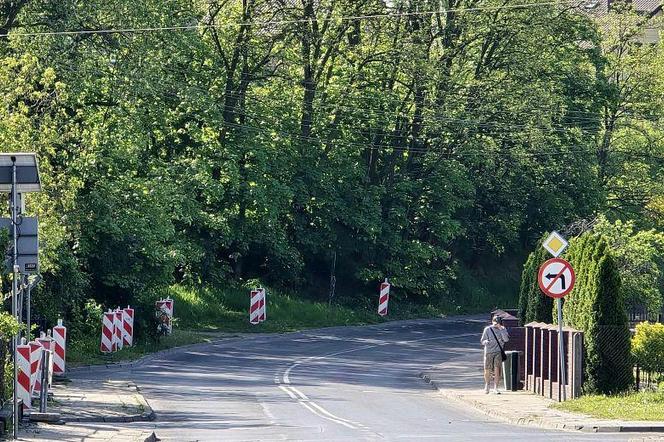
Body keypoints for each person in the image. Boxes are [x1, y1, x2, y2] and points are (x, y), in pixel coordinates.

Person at [480, 315, 509, 394]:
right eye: (495, 322)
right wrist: (486, 342)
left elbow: (506, 339)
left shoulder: (503, 329)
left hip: (498, 351)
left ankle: (496, 387)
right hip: (489, 351)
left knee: (497, 369)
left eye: (498, 323)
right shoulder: (488, 329)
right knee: (487, 369)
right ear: (492, 321)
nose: (496, 324)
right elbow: (482, 340)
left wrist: (501, 330)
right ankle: (487, 385)